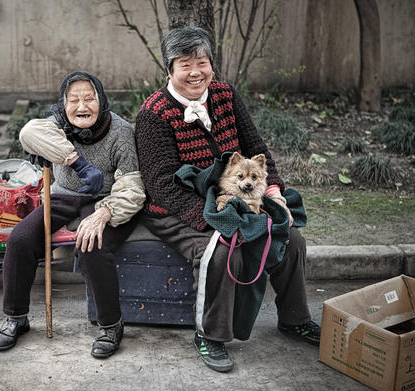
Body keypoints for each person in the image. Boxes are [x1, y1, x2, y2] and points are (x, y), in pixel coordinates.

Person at [135, 27, 320, 373]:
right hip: (177, 210)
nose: (195, 72)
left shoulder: (224, 95)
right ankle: (210, 334)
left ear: (211, 64)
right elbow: (160, 185)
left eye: (202, 62)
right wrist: (213, 221)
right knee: (221, 252)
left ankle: (295, 318)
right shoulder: (154, 114)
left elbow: (256, 148)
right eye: (184, 64)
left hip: (237, 195)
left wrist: (274, 192)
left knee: (290, 238)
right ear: (169, 70)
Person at [0, 71, 146, 358]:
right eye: (73, 99)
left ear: (102, 100)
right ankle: (16, 317)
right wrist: (72, 160)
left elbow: (133, 187)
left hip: (105, 198)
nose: (81, 106)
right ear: (64, 104)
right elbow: (28, 133)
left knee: (92, 246)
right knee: (19, 240)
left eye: (89, 98)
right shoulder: (57, 124)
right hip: (63, 194)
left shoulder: (120, 131)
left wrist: (104, 214)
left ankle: (111, 324)